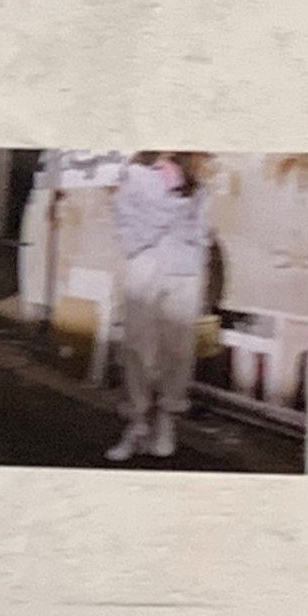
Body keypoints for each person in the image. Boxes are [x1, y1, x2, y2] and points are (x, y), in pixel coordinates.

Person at [105, 150, 214, 463]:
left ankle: (167, 418)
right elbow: (126, 222)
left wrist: (198, 268)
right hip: (145, 263)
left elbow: (200, 232)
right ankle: (137, 421)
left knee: (178, 349)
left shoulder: (196, 183)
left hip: (184, 271)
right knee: (137, 347)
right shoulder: (136, 174)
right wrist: (171, 204)